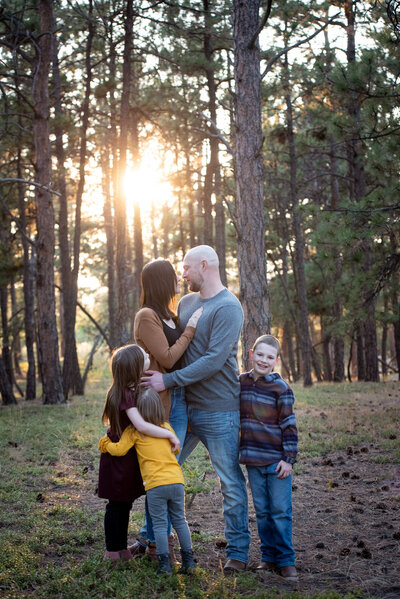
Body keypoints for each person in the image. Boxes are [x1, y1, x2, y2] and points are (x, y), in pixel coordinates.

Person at [142, 245, 250, 573]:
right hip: (181, 408)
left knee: (230, 481)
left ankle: (238, 552)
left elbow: (213, 360)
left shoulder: (229, 307)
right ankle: (150, 540)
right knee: (160, 473)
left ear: (205, 265)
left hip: (219, 409)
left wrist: (169, 380)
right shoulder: (186, 303)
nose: (182, 274)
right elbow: (173, 347)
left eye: (187, 268)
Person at [130, 259, 202, 559]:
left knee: (169, 472)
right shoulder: (147, 316)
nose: (178, 280)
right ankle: (157, 542)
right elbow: (169, 358)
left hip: (180, 399)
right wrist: (192, 329)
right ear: (162, 281)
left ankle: (150, 538)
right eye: (174, 276)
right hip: (160, 405)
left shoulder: (171, 315)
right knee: (162, 474)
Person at [99, 388, 195, 575]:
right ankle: (189, 562)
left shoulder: (134, 431)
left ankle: (164, 564)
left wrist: (104, 444)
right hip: (176, 482)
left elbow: (119, 450)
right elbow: (175, 450)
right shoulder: (166, 427)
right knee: (180, 521)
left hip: (156, 486)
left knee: (159, 525)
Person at [97, 344, 179, 562]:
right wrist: (168, 434)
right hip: (119, 458)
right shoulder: (125, 395)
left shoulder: (126, 389)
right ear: (135, 367)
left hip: (125, 456)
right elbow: (141, 426)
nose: (148, 354)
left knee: (123, 503)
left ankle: (121, 549)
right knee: (117, 505)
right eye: (143, 355)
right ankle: (113, 551)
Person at [239, 334, 298, 582]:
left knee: (280, 511)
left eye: (270, 357)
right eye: (260, 355)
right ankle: (268, 557)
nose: (264, 360)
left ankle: (286, 560)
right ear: (251, 354)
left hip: (276, 462)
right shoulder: (240, 382)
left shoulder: (281, 388)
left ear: (276, 361)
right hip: (253, 460)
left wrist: (288, 458)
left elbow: (289, 425)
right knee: (262, 512)